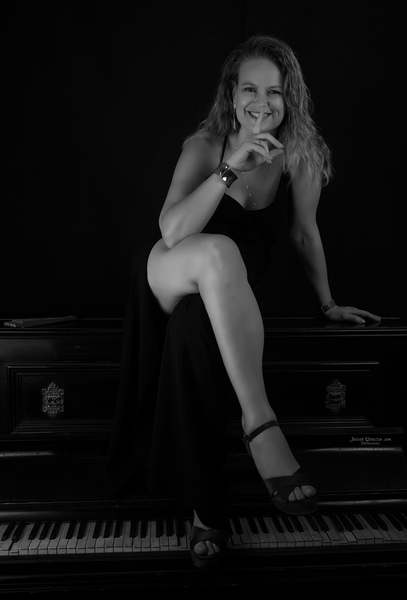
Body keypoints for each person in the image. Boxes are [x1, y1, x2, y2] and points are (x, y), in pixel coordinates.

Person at [106, 34, 381, 568]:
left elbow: (304, 234)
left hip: (227, 292)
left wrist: (327, 304)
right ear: (231, 96)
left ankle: (206, 509)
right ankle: (261, 426)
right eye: (250, 89)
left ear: (288, 98)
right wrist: (231, 165)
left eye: (274, 91)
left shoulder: (301, 156)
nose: (262, 102)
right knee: (217, 251)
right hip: (170, 272)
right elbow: (172, 231)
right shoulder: (205, 146)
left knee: (196, 330)